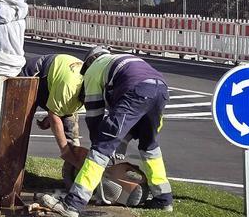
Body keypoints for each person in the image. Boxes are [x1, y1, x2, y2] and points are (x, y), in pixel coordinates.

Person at [42, 47, 173, 216]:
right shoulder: (119, 60)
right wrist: (120, 143)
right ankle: (163, 200)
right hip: (161, 89)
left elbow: (94, 117)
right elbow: (125, 123)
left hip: (135, 91)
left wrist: (100, 147)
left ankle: (72, 204)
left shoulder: (93, 70)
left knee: (100, 149)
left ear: (89, 63)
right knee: (149, 146)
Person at [20, 54, 84, 161]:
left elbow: (66, 112)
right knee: (18, 124)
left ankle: (73, 167)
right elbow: (54, 115)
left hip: (57, 82)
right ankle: (9, 165)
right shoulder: (69, 89)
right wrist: (65, 151)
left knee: (71, 132)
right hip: (37, 73)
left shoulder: (94, 90)